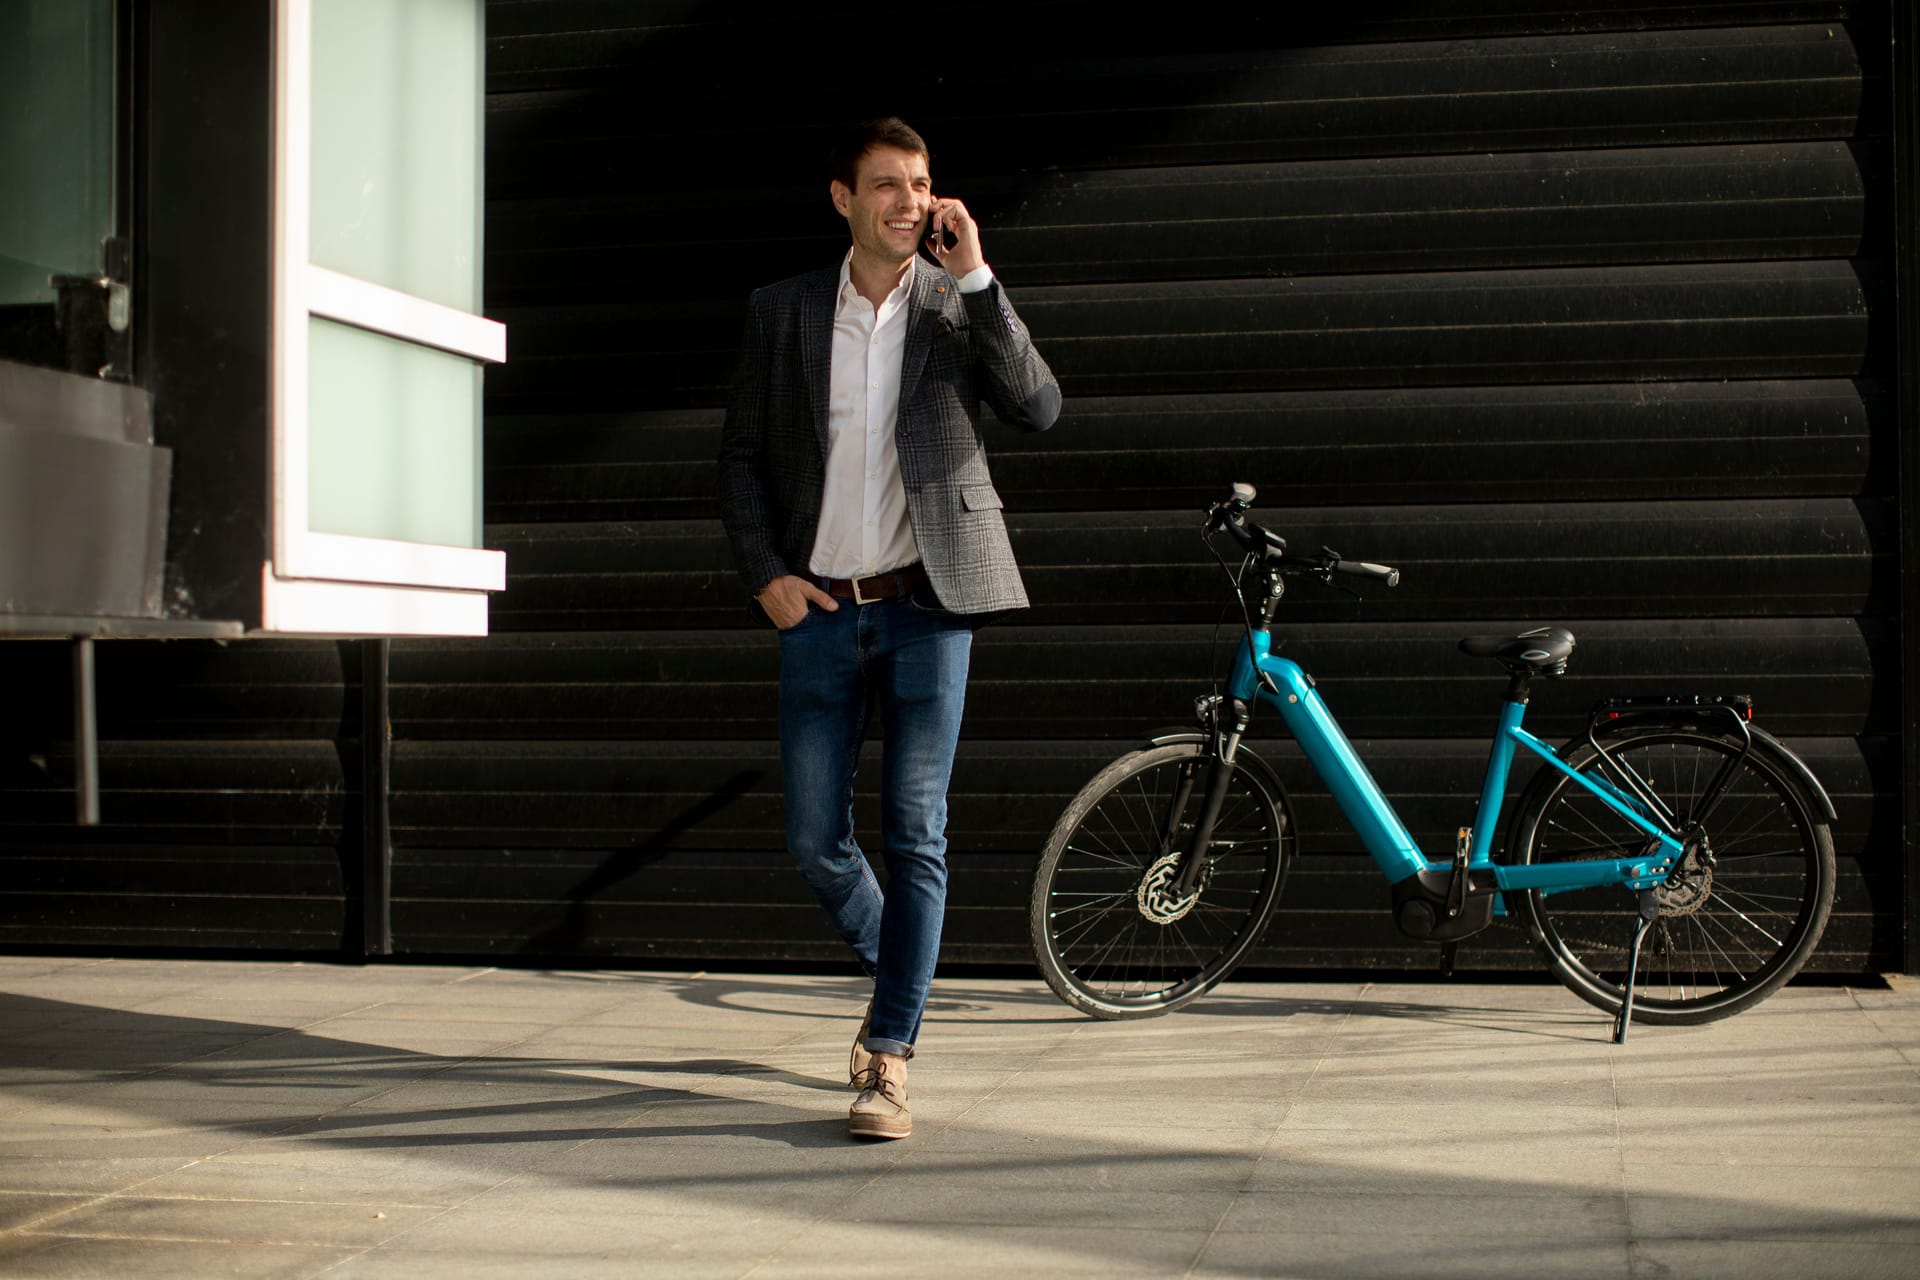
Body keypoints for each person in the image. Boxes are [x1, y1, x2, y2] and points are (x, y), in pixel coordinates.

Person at [717, 117, 1061, 1140]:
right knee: (817, 841)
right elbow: (739, 459)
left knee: (917, 831)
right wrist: (767, 575)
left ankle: (890, 1054)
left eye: (921, 184)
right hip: (820, 607)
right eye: (888, 185)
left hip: (930, 606)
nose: (910, 202)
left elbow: (1039, 406)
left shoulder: (959, 309)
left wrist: (983, 280)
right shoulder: (781, 313)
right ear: (843, 197)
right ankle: (903, 967)